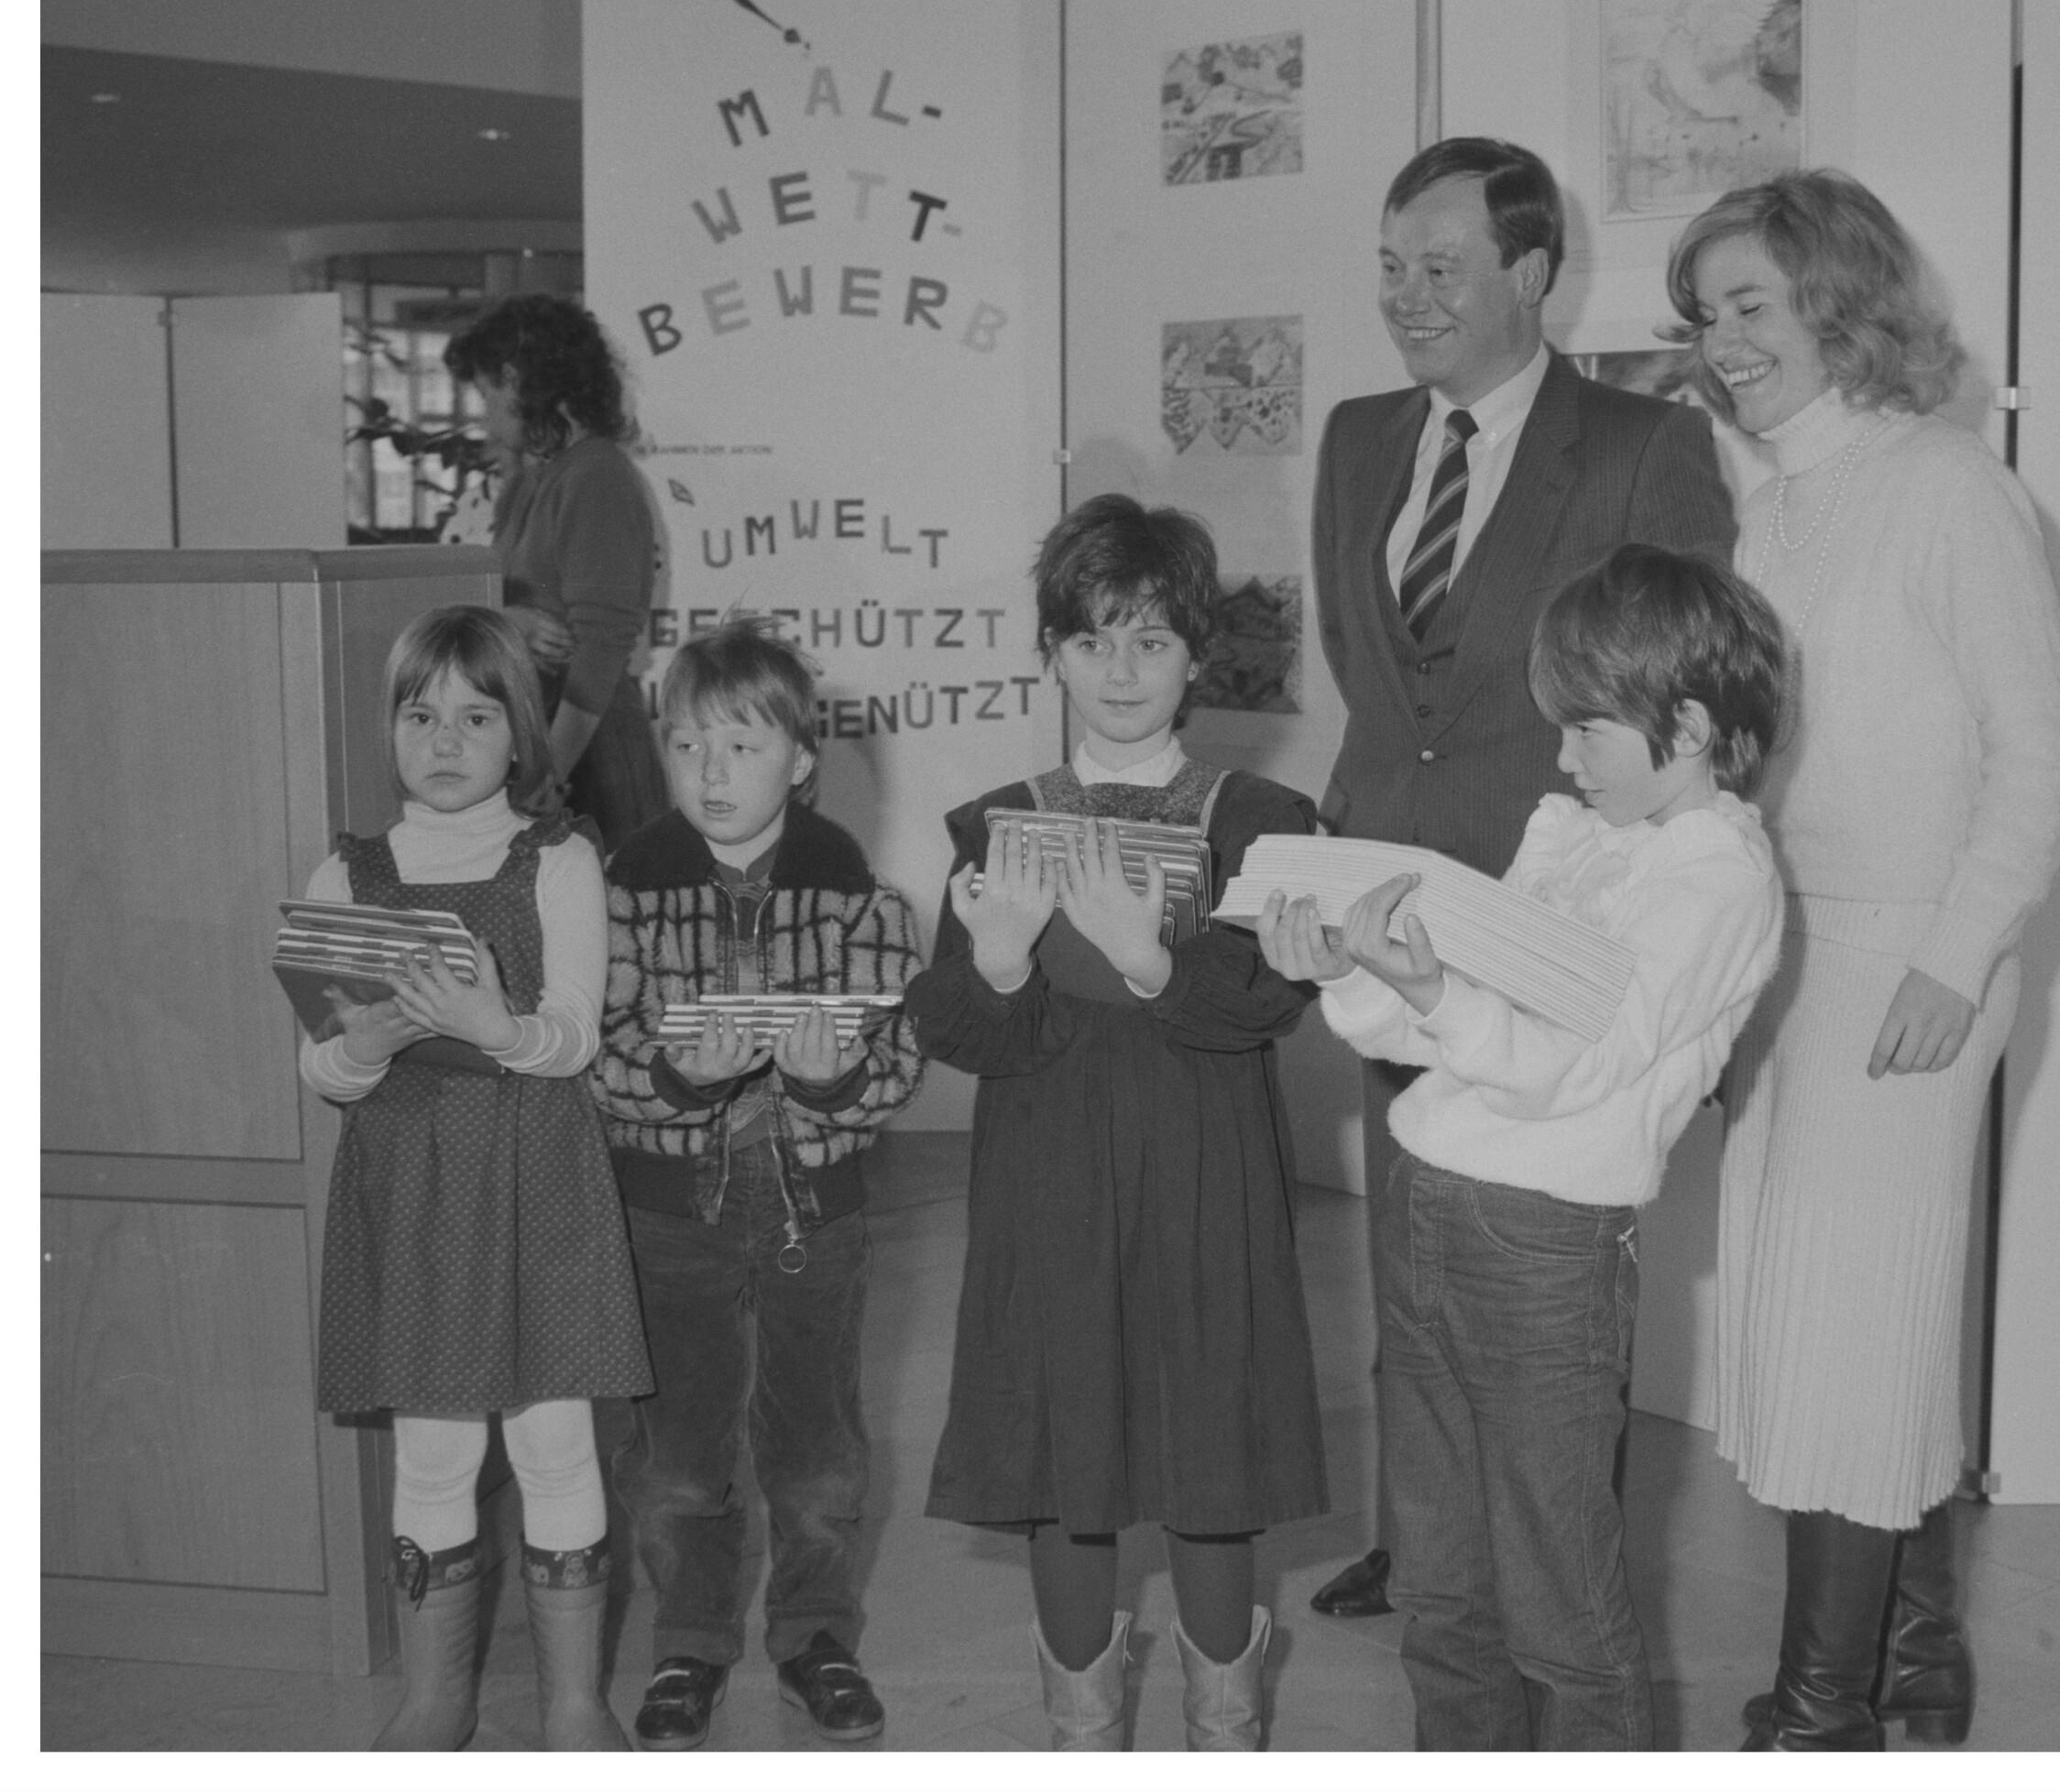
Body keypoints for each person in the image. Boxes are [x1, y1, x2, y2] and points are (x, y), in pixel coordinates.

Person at [1662, 169, 2060, 1750]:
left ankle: (1820, 1710)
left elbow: (2041, 759)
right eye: (1705, 313)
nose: (1723, 339)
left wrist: (1956, 960)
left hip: (1912, 960)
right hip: (1792, 956)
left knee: (1848, 1327)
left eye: (1752, 303)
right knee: (1829, 1321)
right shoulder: (1771, 502)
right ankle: (1912, 1653)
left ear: (1842, 302)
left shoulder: (1949, 486)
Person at [1258, 543, 1789, 1749]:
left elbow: (1570, 1064)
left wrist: (1434, 986)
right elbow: (1451, 1028)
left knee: (1559, 1601)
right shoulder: (1579, 831)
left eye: (1587, 728)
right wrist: (1352, 971)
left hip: (1545, 1247)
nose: (1562, 757)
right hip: (1429, 1199)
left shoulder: (1718, 879)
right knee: (1440, 1584)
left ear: (1691, 726)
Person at [1307, 133, 1737, 1621]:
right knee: (1408, 1240)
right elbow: (1367, 671)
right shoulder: (1359, 438)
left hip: (1552, 920)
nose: (1405, 296)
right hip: (1389, 923)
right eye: (1390, 267)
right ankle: (1421, 1541)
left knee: (1545, 1270)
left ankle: (1549, 1564)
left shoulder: (1640, 446)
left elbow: (1682, 687)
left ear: (1533, 271)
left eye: (1442, 267)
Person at [909, 495, 1328, 1752]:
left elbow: (1269, 1000)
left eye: (1152, 640)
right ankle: (1083, 1740)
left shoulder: (1261, 818)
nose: (1123, 669)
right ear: (1052, 654)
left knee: (1210, 1454)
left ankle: (1225, 1734)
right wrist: (994, 964)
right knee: (1065, 1457)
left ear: (1198, 656)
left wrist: (1152, 961)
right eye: (1093, 640)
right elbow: (960, 1028)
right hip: (1050, 1177)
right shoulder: (997, 823)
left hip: (1206, 1171)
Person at [297, 604, 651, 1751]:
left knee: (554, 1438)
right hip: (409, 1182)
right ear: (391, 729)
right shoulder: (346, 871)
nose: (444, 740)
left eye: (476, 716)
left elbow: (574, 1036)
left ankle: (575, 1700)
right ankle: (435, 1694)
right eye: (419, 715)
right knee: (436, 1448)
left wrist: (497, 1024)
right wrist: (365, 1044)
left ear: (521, 737)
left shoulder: (560, 857)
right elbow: (323, 1066)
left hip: (535, 1171)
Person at [587, 620, 926, 1748]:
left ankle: (817, 1632)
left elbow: (897, 1062)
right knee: (675, 1452)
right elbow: (596, 1051)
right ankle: (688, 1639)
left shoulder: (864, 899)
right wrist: (676, 1074)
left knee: (817, 1445)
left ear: (802, 759)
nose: (711, 772)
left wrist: (836, 1083)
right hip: (666, 1212)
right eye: (687, 746)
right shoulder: (623, 891)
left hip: (810, 1210)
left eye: (741, 746)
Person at [444, 294, 671, 851]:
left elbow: (601, 648)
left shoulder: (597, 477)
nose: (484, 415)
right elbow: (504, 605)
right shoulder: (534, 481)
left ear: (517, 380)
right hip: (546, 734)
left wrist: (548, 770)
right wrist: (508, 621)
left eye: (486, 394)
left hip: (584, 747)